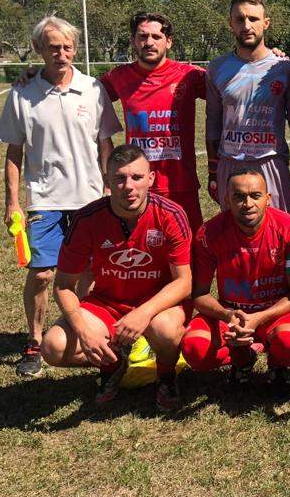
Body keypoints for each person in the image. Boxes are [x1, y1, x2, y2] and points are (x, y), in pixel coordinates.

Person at [0, 16, 121, 377]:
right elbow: (14, 153)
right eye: (52, 47)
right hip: (44, 199)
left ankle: (79, 331)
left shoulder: (93, 89)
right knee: (44, 273)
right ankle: (34, 341)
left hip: (90, 198)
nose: (61, 54)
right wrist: (12, 202)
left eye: (67, 47)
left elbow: (105, 144)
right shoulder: (22, 93)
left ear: (75, 49)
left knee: (89, 270)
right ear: (38, 49)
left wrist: (109, 188)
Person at [38, 145, 192, 409]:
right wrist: (83, 331)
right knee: (53, 346)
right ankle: (114, 362)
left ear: (151, 179)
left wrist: (143, 313)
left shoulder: (171, 214)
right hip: (106, 304)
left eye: (137, 177)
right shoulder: (87, 218)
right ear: (107, 181)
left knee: (165, 330)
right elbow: (63, 285)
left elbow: (184, 282)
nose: (128, 186)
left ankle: (166, 376)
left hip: (157, 304)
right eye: (119, 178)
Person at [179, 169, 290, 400]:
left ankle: (277, 363)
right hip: (231, 311)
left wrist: (259, 318)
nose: (247, 203)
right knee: (194, 350)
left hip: (274, 311)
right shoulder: (208, 233)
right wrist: (228, 316)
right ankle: (242, 358)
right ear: (226, 199)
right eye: (238, 196)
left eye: (255, 195)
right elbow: (199, 294)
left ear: (268, 198)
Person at [97, 12, 208, 231]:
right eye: (142, 36)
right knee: (144, 252)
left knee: (189, 252)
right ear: (133, 41)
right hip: (137, 185)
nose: (149, 42)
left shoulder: (190, 75)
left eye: (156, 37)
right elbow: (79, 90)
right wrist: (40, 75)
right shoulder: (118, 76)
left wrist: (266, 55)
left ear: (168, 41)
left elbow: (231, 83)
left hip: (180, 184)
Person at [206, 0, 290, 215]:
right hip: (230, 163)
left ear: (266, 23)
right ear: (230, 24)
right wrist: (213, 171)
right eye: (239, 19)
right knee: (234, 236)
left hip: (270, 162)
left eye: (253, 18)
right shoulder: (216, 68)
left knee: (282, 234)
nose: (246, 25)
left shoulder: (284, 68)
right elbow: (213, 121)